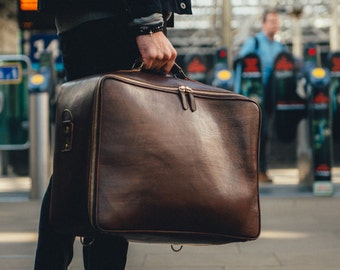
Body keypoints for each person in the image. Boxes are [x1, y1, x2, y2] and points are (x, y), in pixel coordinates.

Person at [34, 1, 192, 269]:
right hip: (117, 16)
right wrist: (148, 21)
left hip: (92, 18)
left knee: (85, 158)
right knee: (112, 162)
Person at [235, 8, 286, 183]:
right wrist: (238, 93)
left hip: (273, 95)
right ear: (264, 24)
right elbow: (241, 66)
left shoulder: (281, 47)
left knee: (266, 133)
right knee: (256, 133)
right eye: (271, 21)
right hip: (255, 97)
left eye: (276, 21)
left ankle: (262, 170)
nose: (275, 24)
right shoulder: (254, 43)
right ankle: (254, 171)